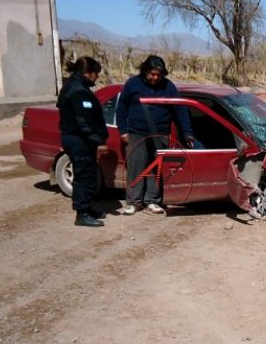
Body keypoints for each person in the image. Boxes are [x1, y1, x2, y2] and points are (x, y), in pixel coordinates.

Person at [115, 55, 194, 215]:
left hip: (160, 134)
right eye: (152, 74)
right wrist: (123, 130)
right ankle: (133, 202)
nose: (155, 77)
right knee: (136, 167)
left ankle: (152, 200)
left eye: (158, 75)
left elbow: (180, 110)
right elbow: (122, 108)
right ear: (145, 71)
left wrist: (187, 132)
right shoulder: (133, 84)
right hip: (137, 133)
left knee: (155, 168)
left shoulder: (168, 87)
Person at [57, 56, 109, 228]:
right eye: (96, 74)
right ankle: (82, 214)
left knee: (87, 173)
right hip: (79, 140)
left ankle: (87, 207)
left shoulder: (72, 87)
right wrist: (99, 141)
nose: (97, 78)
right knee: (84, 175)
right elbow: (84, 122)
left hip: (77, 138)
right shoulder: (79, 91)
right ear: (89, 73)